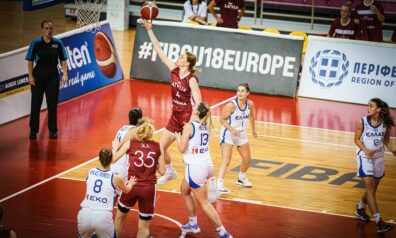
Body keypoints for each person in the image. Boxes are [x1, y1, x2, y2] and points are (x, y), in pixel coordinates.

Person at [130, 19, 201, 185]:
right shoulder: (174, 70)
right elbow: (159, 50)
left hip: (186, 119)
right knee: (159, 148)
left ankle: (207, 181)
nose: (178, 57)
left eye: (182, 57)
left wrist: (191, 122)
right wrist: (149, 30)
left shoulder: (191, 79)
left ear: (188, 63)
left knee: (188, 153)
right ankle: (170, 172)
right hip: (175, 117)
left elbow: (199, 103)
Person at [175, 102, 231, 238]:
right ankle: (193, 223)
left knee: (204, 203)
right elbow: (195, 146)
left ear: (196, 112)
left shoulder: (189, 127)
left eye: (194, 108)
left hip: (196, 168)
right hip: (207, 166)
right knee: (184, 190)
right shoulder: (206, 127)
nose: (192, 109)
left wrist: (178, 137)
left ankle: (223, 233)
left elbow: (182, 149)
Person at [112, 119, 165, 238]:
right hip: (148, 189)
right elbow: (162, 172)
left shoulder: (130, 143)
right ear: (152, 133)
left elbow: (113, 159)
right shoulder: (158, 146)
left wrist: (115, 147)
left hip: (131, 185)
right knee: (144, 227)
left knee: (119, 218)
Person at [354, 98, 396, 234]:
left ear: (378, 109)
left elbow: (386, 140)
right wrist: (365, 150)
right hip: (364, 157)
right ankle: (379, 222)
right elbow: (356, 139)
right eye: (368, 106)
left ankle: (360, 208)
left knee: (372, 190)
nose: (368, 108)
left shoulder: (385, 123)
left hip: (378, 158)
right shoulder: (363, 121)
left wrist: (394, 150)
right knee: (370, 189)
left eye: (371, 106)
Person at [77, 148, 136, 238]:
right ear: (111, 160)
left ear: (99, 158)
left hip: (85, 213)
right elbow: (126, 190)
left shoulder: (89, 172)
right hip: (103, 216)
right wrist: (130, 184)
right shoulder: (116, 177)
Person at [26, 20, 68, 139]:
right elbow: (30, 60)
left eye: (50, 29)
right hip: (38, 76)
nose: (49, 31)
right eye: (46, 28)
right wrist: (30, 75)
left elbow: (63, 59)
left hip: (53, 76)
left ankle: (53, 130)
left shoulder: (58, 43)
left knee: (52, 105)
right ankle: (33, 130)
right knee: (35, 105)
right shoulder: (36, 43)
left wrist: (65, 73)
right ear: (42, 30)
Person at [217, 83, 257, 194]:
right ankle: (219, 184)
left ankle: (241, 178)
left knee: (247, 158)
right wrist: (232, 130)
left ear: (248, 93)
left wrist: (253, 129)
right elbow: (221, 119)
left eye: (243, 91)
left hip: (241, 134)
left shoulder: (250, 104)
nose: (239, 93)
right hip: (228, 133)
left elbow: (252, 116)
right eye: (238, 90)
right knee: (226, 160)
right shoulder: (231, 105)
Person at [111, 107, 143, 198]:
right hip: (123, 165)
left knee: (113, 194)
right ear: (140, 119)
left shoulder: (122, 128)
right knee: (123, 195)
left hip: (114, 163)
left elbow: (115, 144)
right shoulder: (136, 132)